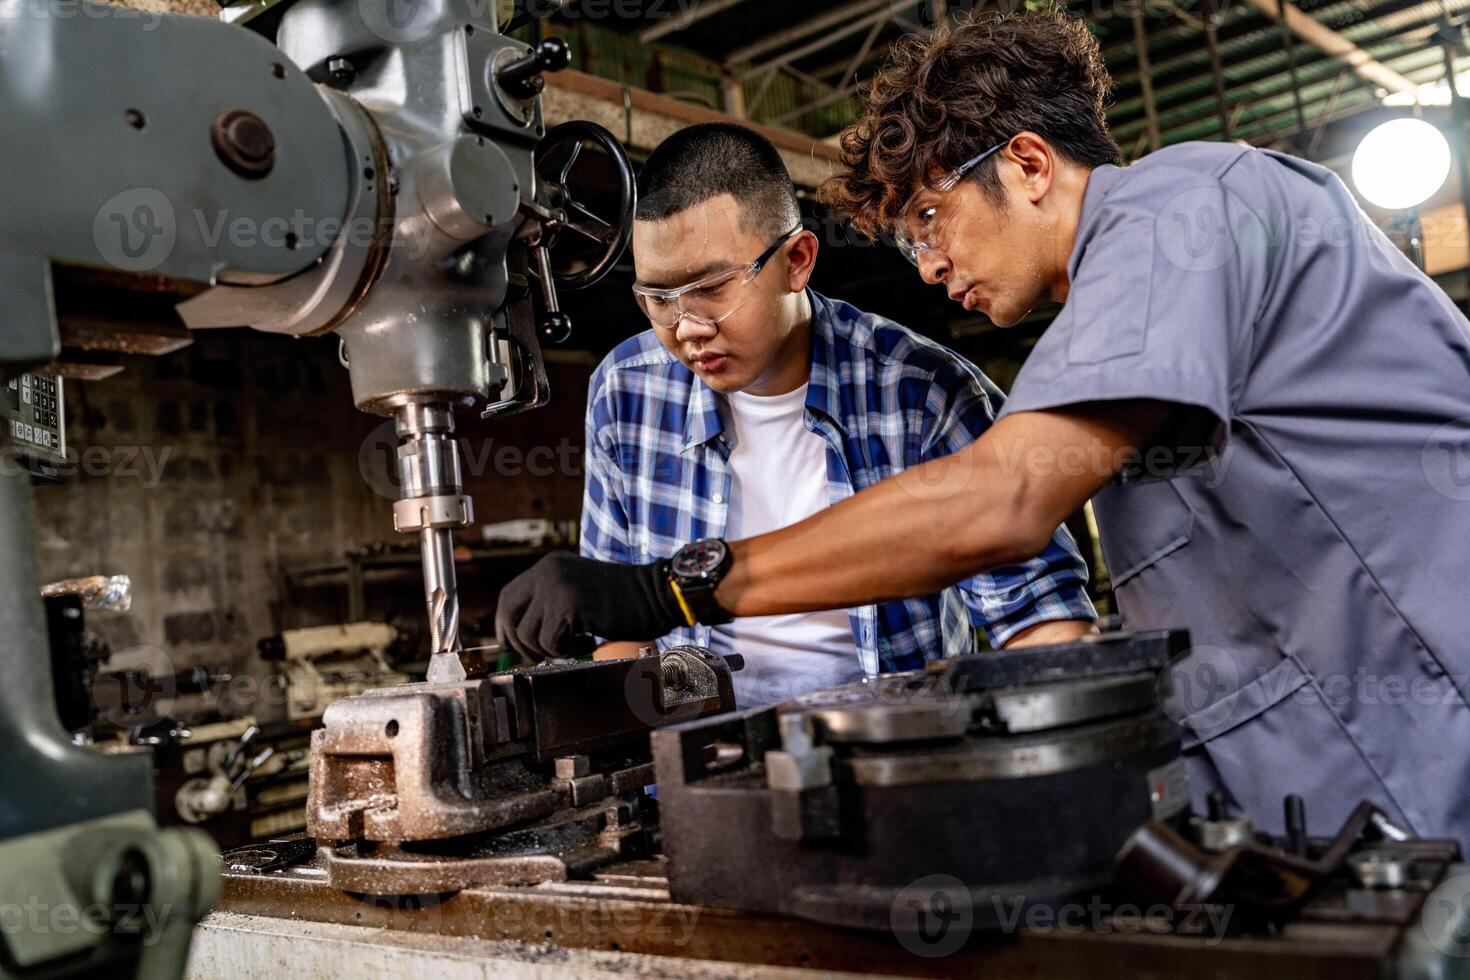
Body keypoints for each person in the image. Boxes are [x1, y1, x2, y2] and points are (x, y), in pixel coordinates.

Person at [497, 9, 1470, 845]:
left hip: (1428, 746)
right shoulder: (1097, 337)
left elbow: (1000, 501)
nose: (925, 264)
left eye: (930, 216)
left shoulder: (1196, 207)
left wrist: (671, 587)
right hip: (1327, 793)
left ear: (1030, 164)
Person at [576, 122, 1095, 708]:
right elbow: (620, 630)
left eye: (714, 288)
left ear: (797, 260)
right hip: (698, 759)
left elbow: (1037, 616)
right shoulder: (626, 393)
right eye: (658, 299)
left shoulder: (924, 395)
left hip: (892, 758)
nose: (687, 327)